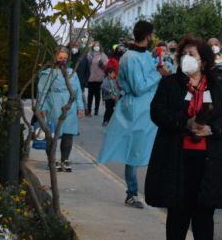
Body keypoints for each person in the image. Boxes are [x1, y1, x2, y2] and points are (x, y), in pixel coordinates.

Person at [145, 36, 222, 240]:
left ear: (204, 61)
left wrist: (212, 129)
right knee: (177, 212)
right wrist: (183, 123)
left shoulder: (217, 86)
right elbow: (157, 112)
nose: (187, 57)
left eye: (193, 54)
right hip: (177, 156)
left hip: (209, 159)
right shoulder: (170, 84)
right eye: (184, 53)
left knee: (204, 213)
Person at [97, 20, 169, 208]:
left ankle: (156, 192)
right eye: (152, 35)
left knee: (151, 150)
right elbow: (138, 87)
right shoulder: (130, 57)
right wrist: (158, 75)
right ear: (147, 36)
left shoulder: (145, 55)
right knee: (134, 152)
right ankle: (132, 192)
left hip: (149, 109)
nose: (153, 38)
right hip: (136, 110)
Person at [37, 46, 85, 172]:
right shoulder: (49, 74)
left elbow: (78, 92)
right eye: (60, 57)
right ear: (54, 57)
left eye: (65, 57)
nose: (63, 60)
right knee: (53, 135)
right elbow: (42, 92)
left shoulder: (72, 74)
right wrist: (41, 108)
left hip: (70, 107)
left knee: (68, 136)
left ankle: (65, 160)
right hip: (54, 106)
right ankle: (52, 160)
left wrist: (80, 107)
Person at [84, 42, 108, 117]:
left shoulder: (103, 55)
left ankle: (96, 110)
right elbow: (85, 64)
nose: (96, 47)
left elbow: (106, 65)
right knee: (90, 95)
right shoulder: (89, 54)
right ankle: (89, 110)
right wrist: (89, 62)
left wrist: (102, 65)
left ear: (100, 46)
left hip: (99, 78)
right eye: (95, 45)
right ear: (93, 46)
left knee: (97, 95)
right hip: (90, 77)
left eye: (97, 45)